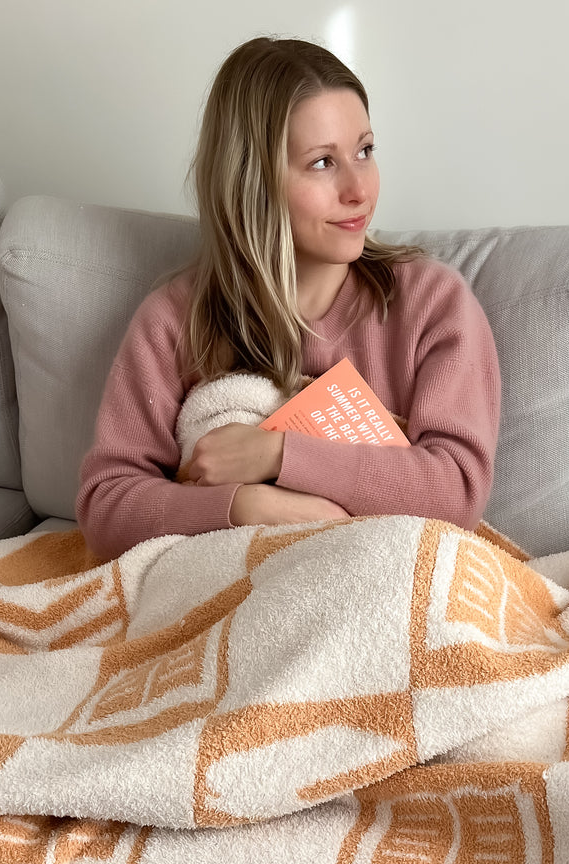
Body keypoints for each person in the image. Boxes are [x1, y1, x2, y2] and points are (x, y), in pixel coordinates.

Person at [76, 36, 500, 560]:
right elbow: (106, 510)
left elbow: (456, 493)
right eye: (322, 162)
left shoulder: (432, 303)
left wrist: (275, 454)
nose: (359, 190)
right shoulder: (175, 321)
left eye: (364, 151)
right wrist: (247, 507)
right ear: (251, 180)